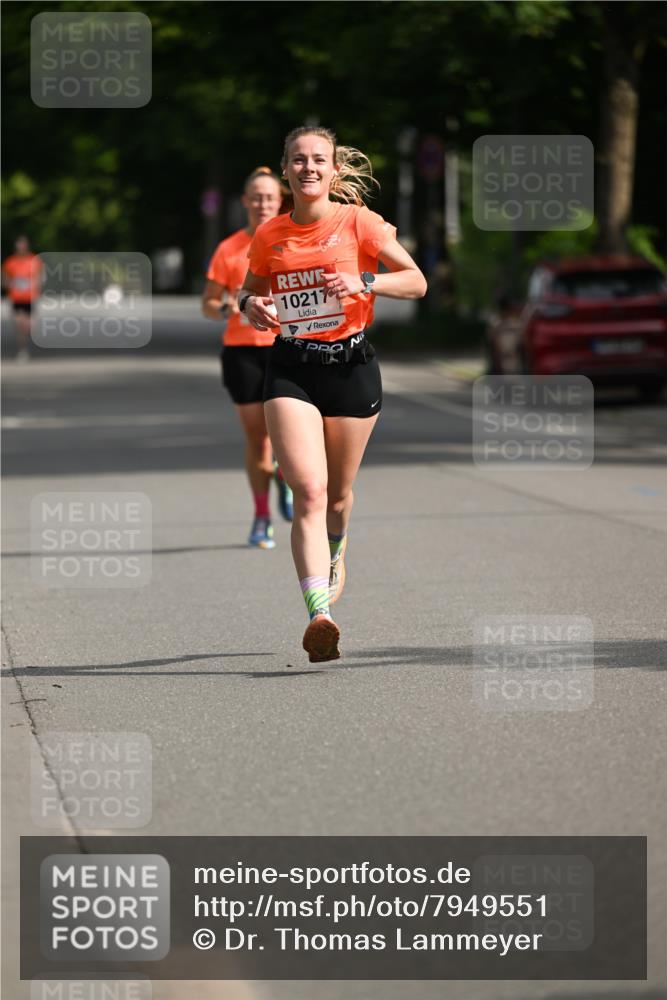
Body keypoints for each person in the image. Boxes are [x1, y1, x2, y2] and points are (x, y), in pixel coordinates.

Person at [238, 126, 426, 662]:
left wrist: (367, 283)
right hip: (291, 367)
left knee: (338, 497)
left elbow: (415, 281)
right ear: (286, 170)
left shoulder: (359, 223)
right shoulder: (271, 235)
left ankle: (338, 550)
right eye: (298, 160)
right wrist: (249, 305)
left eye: (319, 159)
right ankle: (319, 615)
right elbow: (250, 289)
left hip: (351, 367)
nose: (309, 168)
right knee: (309, 493)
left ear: (334, 170)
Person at [202, 167, 293, 549]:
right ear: (245, 202)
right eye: (256, 197)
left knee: (288, 439)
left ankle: (288, 481)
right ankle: (261, 516)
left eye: (269, 197)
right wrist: (229, 308)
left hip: (288, 348)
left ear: (280, 201)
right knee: (260, 443)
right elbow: (207, 303)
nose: (262, 203)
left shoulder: (294, 241)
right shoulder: (229, 248)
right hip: (242, 352)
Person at [2, 236, 42, 362]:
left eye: (23, 245)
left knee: (28, 325)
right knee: (20, 325)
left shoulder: (34, 260)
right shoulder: (10, 262)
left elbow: (40, 277)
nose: (21, 247)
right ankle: (23, 351)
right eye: (19, 245)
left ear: (27, 246)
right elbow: (4, 280)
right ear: (16, 247)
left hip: (30, 297)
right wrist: (11, 284)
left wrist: (34, 285)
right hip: (16, 298)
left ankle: (28, 334)